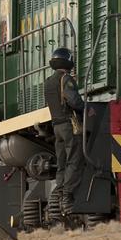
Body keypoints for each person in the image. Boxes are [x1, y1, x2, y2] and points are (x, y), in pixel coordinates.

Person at [43, 47, 85, 216]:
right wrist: (86, 108)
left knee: (61, 162)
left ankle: (59, 193)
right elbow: (73, 100)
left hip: (56, 126)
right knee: (75, 159)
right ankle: (68, 196)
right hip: (68, 125)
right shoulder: (65, 79)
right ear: (68, 62)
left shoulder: (48, 81)